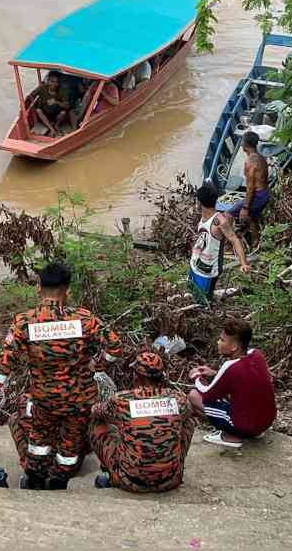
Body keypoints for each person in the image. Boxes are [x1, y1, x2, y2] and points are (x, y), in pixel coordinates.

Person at [0, 261, 123, 490]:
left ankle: (34, 480)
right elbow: (116, 347)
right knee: (70, 444)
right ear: (68, 290)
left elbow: (4, 365)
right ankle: (59, 481)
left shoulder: (25, 322)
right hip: (79, 399)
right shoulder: (85, 319)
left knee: (39, 441)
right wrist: (99, 364)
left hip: (44, 399)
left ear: (38, 287)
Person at [89, 351, 196, 493]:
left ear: (136, 376)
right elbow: (188, 414)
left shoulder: (122, 400)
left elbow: (96, 411)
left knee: (96, 423)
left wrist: (123, 421)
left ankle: (111, 472)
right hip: (170, 481)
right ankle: (170, 465)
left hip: (129, 481)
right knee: (188, 422)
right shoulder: (178, 399)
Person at [187, 317, 277, 449]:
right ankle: (247, 431)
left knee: (194, 395)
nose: (218, 342)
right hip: (265, 422)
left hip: (246, 426)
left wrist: (196, 377)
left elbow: (207, 394)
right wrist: (214, 373)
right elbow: (241, 379)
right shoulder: (256, 355)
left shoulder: (230, 366)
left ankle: (230, 435)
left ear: (234, 347)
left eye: (222, 340)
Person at [190, 183, 251, 305]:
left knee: (204, 300)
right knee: (194, 291)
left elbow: (234, 239)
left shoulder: (220, 222)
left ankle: (205, 312)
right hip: (196, 262)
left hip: (209, 270)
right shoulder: (204, 215)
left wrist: (243, 263)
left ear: (200, 202)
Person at [8, 392, 90, 478]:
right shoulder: (79, 397)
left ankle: (31, 468)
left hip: (38, 464)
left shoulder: (28, 400)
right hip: (69, 465)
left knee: (14, 419)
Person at [226, 130, 270, 248]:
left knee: (229, 214)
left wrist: (245, 208)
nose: (240, 144)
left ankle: (230, 244)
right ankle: (256, 242)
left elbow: (250, 187)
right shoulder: (262, 158)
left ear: (245, 145)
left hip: (258, 195)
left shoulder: (250, 162)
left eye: (242, 141)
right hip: (265, 193)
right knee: (251, 218)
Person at [27, 71, 70, 136]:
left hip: (56, 114)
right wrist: (34, 105)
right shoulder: (42, 87)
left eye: (56, 82)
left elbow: (67, 106)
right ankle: (51, 129)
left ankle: (56, 125)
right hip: (45, 113)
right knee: (38, 110)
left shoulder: (61, 91)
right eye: (52, 82)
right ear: (48, 81)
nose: (54, 84)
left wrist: (56, 102)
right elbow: (31, 96)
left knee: (63, 113)